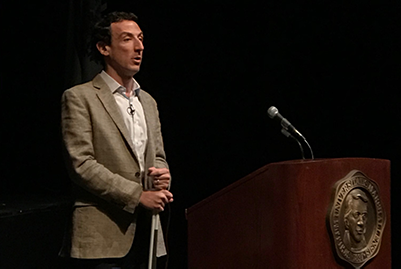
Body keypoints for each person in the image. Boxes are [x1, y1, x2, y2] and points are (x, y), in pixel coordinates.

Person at [61, 11, 173, 268]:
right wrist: (137, 195)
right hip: (102, 237)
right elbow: (82, 165)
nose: (139, 46)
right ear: (104, 48)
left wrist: (163, 174)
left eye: (141, 39)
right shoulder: (80, 97)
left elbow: (158, 156)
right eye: (127, 39)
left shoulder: (148, 101)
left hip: (147, 234)